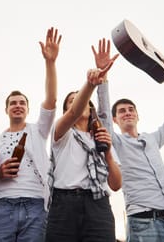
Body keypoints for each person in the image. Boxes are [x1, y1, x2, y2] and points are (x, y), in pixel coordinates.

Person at [93, 38, 164, 242]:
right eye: (121, 111)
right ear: (115, 119)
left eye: (131, 110)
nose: (127, 113)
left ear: (138, 116)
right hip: (144, 222)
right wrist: (103, 77)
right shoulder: (116, 142)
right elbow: (102, 115)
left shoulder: (153, 139)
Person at [0, 27, 61, 242]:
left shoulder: (38, 130)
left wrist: (50, 63)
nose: (17, 106)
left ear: (27, 109)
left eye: (22, 103)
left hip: (35, 205)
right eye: (13, 103)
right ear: (6, 109)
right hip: (0, 206)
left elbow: (51, 100)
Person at [45, 39, 121, 242]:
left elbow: (116, 185)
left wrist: (108, 154)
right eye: (72, 101)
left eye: (83, 100)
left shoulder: (101, 137)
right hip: (64, 206)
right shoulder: (61, 134)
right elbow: (73, 113)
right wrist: (90, 84)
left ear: (91, 108)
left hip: (98, 205)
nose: (78, 103)